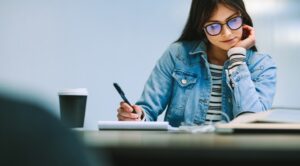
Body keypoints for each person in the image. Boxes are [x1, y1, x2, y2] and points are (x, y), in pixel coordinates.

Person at [117, 0, 276, 127]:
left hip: (234, 155)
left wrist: (237, 59)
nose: (227, 33)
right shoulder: (178, 54)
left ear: (243, 18)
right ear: (201, 27)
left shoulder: (262, 65)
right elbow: (148, 110)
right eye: (214, 26)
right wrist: (136, 116)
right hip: (184, 152)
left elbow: (252, 123)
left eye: (233, 21)